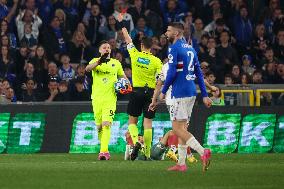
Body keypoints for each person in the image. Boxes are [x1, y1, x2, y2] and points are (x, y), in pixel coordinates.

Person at [158, 22, 212, 172]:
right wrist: (205, 95)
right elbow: (199, 74)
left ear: (176, 33)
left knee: (176, 129)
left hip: (179, 92)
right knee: (182, 128)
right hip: (191, 92)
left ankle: (203, 152)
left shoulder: (173, 48)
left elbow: (172, 73)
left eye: (168, 31)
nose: (166, 33)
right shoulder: (191, 49)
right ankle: (181, 164)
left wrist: (163, 90)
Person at [117, 13, 163, 161]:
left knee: (132, 121)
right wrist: (157, 98)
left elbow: (128, 39)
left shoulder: (135, 54)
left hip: (136, 91)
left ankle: (136, 140)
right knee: (148, 122)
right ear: (152, 47)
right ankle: (148, 153)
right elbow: (160, 80)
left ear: (142, 45)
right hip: (150, 92)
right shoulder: (157, 61)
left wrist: (122, 25)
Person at [85, 40, 128, 160]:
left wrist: (128, 86)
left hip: (110, 98)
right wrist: (99, 61)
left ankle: (104, 152)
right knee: (99, 126)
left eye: (108, 47)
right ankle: (104, 149)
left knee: (106, 124)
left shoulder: (116, 63)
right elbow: (88, 69)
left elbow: (123, 78)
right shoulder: (95, 61)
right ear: (100, 50)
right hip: (97, 98)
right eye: (104, 47)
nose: (107, 49)